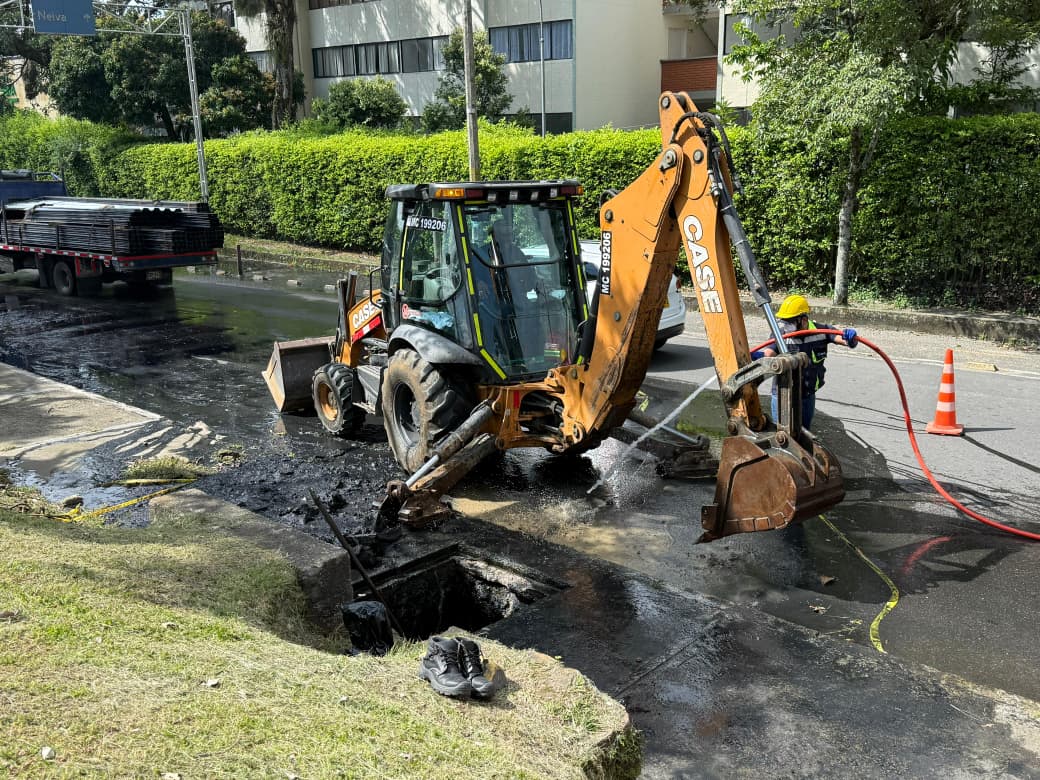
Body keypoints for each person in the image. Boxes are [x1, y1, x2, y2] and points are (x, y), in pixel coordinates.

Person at [751, 294, 858, 430]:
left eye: (790, 321)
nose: (786, 325)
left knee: (804, 431)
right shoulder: (781, 333)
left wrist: (851, 338)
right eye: (784, 321)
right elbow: (769, 353)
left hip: (807, 394)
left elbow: (842, 339)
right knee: (781, 433)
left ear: (803, 320)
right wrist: (755, 355)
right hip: (782, 394)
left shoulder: (821, 331)